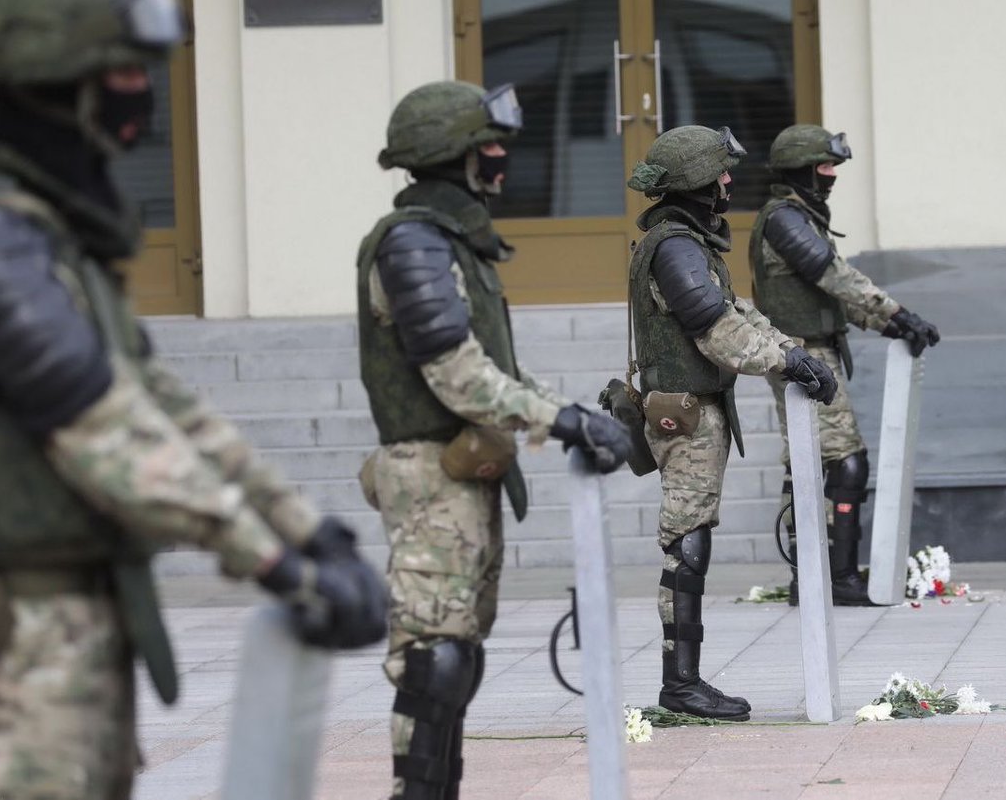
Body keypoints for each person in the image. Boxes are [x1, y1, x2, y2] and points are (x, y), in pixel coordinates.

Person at [0, 0, 389, 797]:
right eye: (120, 74)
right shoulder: (7, 244)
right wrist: (274, 564)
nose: (139, 93)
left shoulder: (49, 235)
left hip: (74, 621)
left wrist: (305, 526)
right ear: (46, 86)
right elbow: (103, 430)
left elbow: (163, 403)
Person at [358, 79, 631, 800]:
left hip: (465, 476)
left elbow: (500, 369)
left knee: (460, 660)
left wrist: (569, 409)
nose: (502, 159)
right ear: (454, 158)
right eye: (489, 147)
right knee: (433, 662)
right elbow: (455, 373)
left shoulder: (454, 242)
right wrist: (560, 421)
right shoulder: (412, 242)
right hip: (428, 479)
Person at [625, 125, 837, 721]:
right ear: (692, 181)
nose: (727, 182)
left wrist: (791, 350)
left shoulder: (690, 242)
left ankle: (685, 679)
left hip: (698, 409)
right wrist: (785, 358)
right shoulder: (675, 247)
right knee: (686, 542)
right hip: (685, 415)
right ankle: (681, 684)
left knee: (693, 537)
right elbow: (715, 329)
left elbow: (739, 311)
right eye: (718, 173)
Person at [749, 124, 940, 607]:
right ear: (802, 170)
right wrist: (896, 313)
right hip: (801, 355)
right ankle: (835, 578)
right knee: (842, 464)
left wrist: (893, 326)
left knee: (814, 465)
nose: (832, 176)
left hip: (810, 350)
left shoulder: (801, 216)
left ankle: (816, 575)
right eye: (825, 167)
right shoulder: (786, 219)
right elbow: (833, 277)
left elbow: (828, 298)